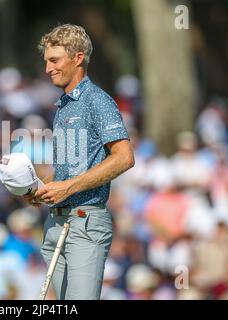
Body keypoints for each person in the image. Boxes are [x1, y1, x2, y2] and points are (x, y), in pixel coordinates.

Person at [25, 24, 135, 300]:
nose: (48, 68)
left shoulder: (97, 100)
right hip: (56, 222)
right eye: (46, 61)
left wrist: (69, 188)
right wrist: (43, 188)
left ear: (78, 57)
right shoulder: (64, 105)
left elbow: (124, 157)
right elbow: (70, 168)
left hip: (85, 222)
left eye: (54, 60)